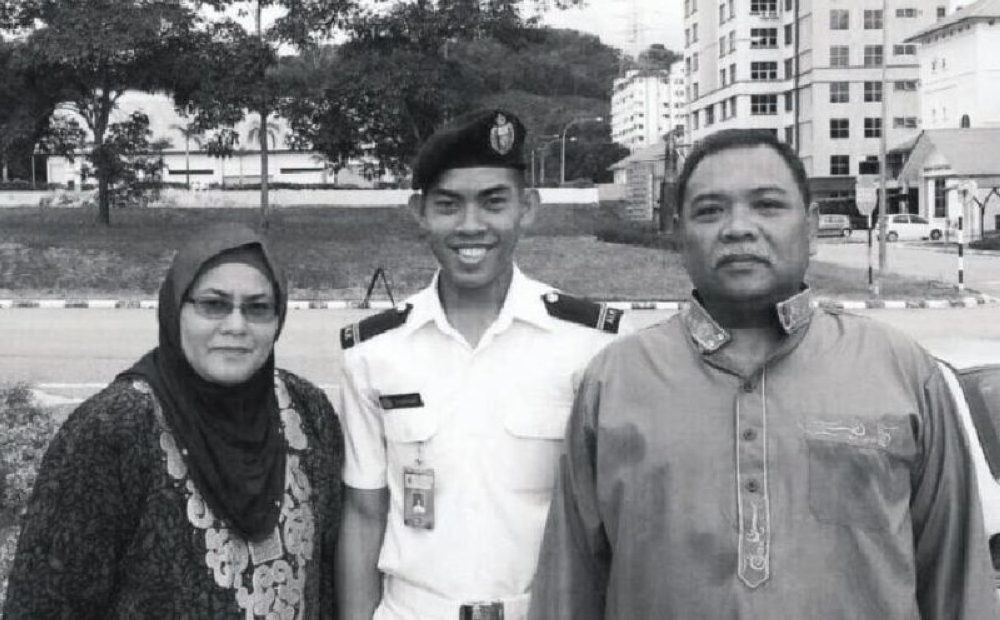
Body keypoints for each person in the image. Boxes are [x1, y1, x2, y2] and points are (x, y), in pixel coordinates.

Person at [528, 128, 999, 619]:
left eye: (767, 206)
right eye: (710, 211)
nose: (738, 228)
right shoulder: (614, 381)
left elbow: (958, 579)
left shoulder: (902, 371)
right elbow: (571, 583)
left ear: (812, 228)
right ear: (677, 234)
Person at [335, 109, 625, 620]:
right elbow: (364, 513)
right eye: (448, 205)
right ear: (418, 211)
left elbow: (616, 517)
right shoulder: (373, 351)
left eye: (494, 202)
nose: (471, 226)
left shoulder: (589, 344)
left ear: (527, 207)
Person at [3, 224, 343, 619]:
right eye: (213, 305)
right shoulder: (116, 430)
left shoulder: (307, 412)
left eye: (257, 308)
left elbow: (329, 579)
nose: (236, 326)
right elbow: (44, 605)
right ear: (174, 309)